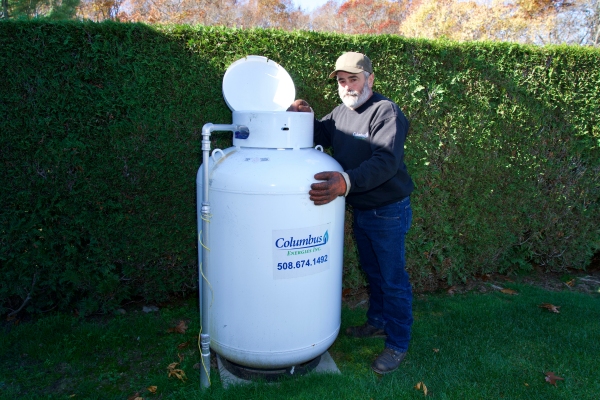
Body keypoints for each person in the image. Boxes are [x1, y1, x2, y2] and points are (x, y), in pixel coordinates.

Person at [288, 52, 414, 374]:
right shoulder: (340, 114)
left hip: (388, 210)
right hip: (362, 208)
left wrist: (345, 181)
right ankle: (377, 322)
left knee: (393, 279)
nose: (346, 87)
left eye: (353, 79)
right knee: (374, 273)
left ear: (370, 79)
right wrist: (304, 115)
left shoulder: (386, 112)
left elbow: (386, 162)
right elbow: (318, 135)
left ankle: (398, 343)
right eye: (341, 81)